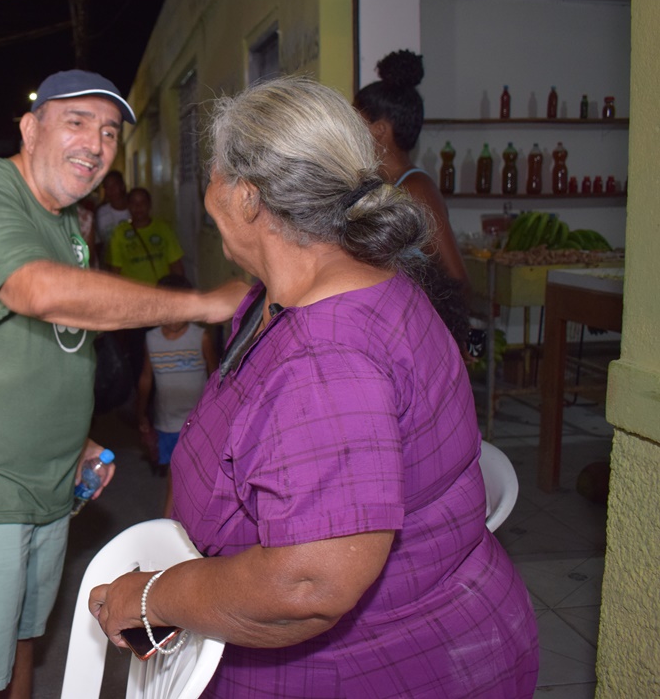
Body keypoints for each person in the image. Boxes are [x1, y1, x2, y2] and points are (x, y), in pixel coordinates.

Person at [89, 76, 539, 698]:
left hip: (377, 671)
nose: (210, 190)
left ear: (247, 197)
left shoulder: (328, 360)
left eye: (215, 172)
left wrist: (152, 597)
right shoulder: (316, 285)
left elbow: (306, 587)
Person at [0, 69, 247, 699]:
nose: (95, 143)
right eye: (77, 122)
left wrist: (74, 437)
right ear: (30, 130)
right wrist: (199, 304)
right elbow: (35, 292)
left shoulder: (63, 221)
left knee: (23, 639)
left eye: (109, 131)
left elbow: (52, 342)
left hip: (49, 477)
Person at [354, 50, 469, 286]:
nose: (349, 132)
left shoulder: (416, 189)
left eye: (356, 122)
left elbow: (457, 278)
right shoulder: (381, 186)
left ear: (379, 130)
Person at [136, 274, 218, 477]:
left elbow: (216, 377)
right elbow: (146, 378)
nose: (173, 316)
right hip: (166, 422)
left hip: (198, 421)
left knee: (197, 472)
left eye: (179, 308)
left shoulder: (201, 338)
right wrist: (141, 412)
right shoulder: (151, 339)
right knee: (173, 473)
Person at [108, 187, 184, 284]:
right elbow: (115, 269)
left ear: (149, 205)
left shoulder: (163, 229)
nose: (138, 207)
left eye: (142, 202)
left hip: (160, 289)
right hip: (132, 290)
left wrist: (180, 287)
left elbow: (176, 264)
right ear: (128, 206)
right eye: (134, 203)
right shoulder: (119, 233)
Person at [94, 169, 130, 265]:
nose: (111, 190)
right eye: (107, 187)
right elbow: (98, 243)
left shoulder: (134, 209)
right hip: (110, 263)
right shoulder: (101, 212)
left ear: (122, 186)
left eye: (114, 185)